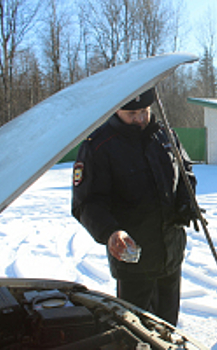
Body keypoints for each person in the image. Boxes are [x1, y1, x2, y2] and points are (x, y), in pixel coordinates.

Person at [71, 88, 197, 326]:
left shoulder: (165, 135)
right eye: (133, 114)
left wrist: (186, 203)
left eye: (145, 111)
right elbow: (86, 202)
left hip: (171, 252)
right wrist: (110, 232)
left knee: (168, 327)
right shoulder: (98, 146)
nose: (140, 119)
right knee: (135, 331)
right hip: (134, 259)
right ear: (117, 109)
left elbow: (185, 172)